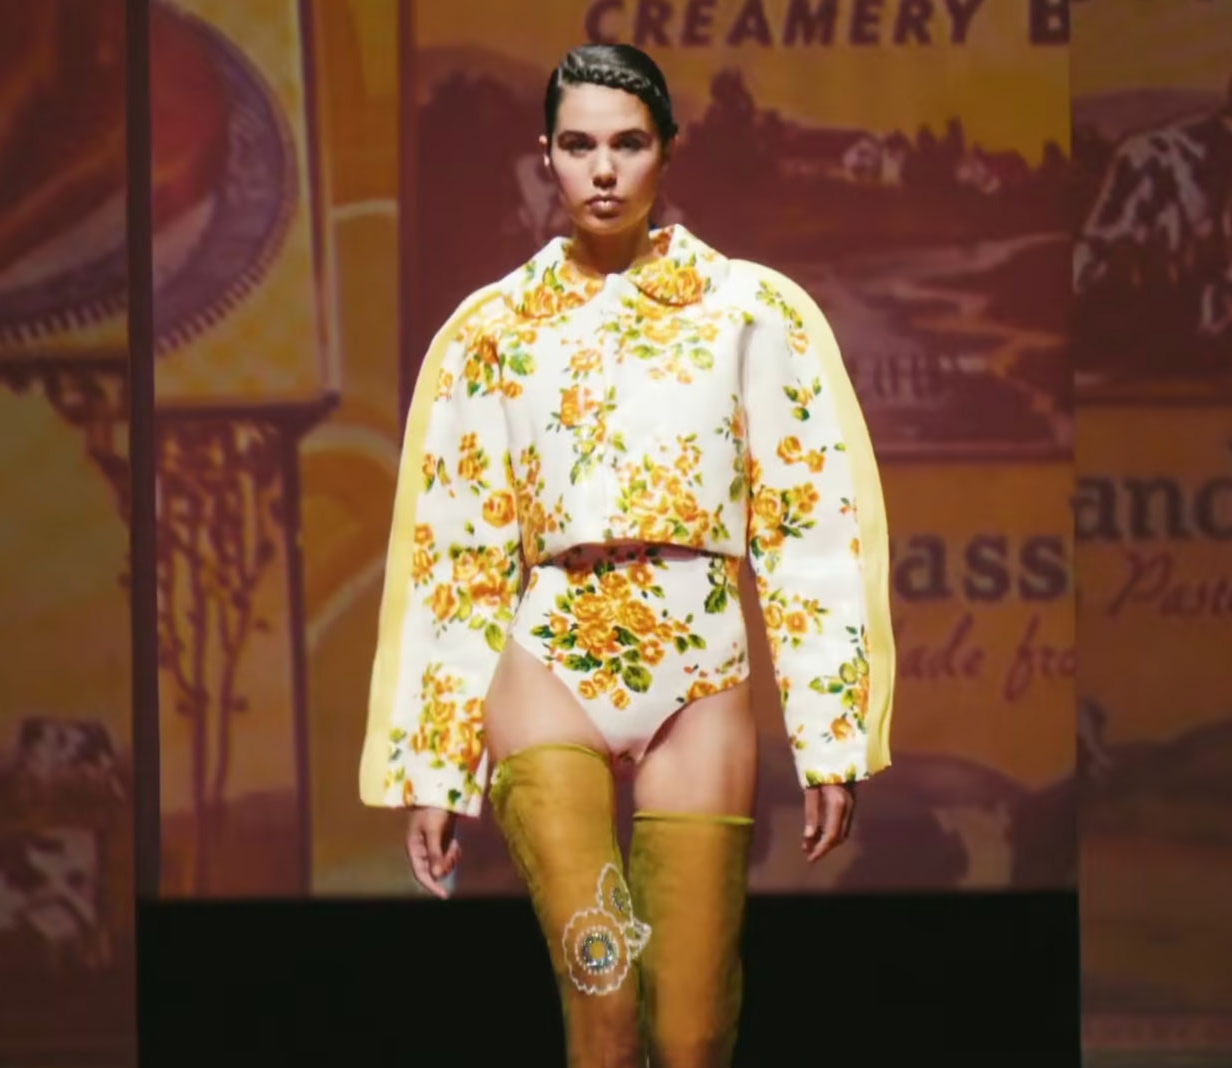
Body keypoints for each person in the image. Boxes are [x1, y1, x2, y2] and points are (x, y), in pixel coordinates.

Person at [358, 42, 895, 1066]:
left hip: (699, 671)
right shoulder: (493, 331)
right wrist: (435, 766)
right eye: (577, 145)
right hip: (548, 661)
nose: (602, 170)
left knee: (690, 1037)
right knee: (601, 999)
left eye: (628, 144)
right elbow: (458, 549)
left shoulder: (751, 313)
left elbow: (809, 526)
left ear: (667, 153)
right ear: (545, 158)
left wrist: (831, 734)